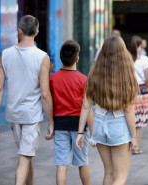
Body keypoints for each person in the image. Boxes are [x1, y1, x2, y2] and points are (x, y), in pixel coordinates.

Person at [76, 35, 139, 185]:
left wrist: (80, 132)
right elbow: (129, 109)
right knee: (120, 176)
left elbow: (86, 105)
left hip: (98, 124)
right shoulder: (126, 75)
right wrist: (134, 136)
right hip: (118, 124)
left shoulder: (94, 73)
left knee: (109, 172)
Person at [0, 15, 54, 185]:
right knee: (24, 157)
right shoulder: (42, 57)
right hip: (31, 115)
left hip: (13, 114)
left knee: (26, 155)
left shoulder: (5, 54)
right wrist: (51, 120)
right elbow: (45, 94)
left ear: (19, 31)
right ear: (37, 33)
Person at [49, 40, 94, 185]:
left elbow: (49, 102)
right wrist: (93, 131)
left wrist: (51, 122)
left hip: (60, 123)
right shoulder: (83, 80)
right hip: (79, 125)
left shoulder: (53, 79)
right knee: (82, 162)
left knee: (61, 164)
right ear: (77, 58)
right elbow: (87, 108)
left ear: (60, 58)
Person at [128, 35, 148, 154]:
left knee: (129, 118)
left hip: (128, 90)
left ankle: (128, 145)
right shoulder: (144, 59)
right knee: (140, 121)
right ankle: (136, 147)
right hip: (141, 91)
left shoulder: (125, 59)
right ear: (139, 45)